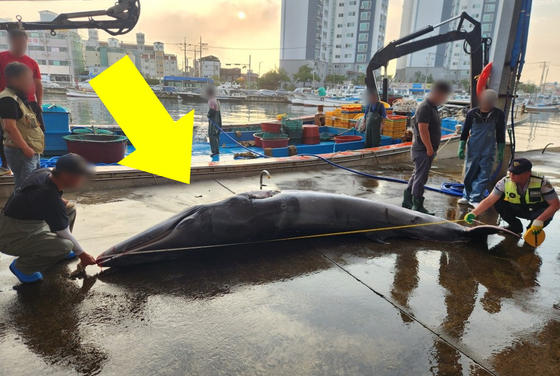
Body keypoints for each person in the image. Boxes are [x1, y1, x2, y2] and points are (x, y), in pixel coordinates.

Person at [0, 153, 97, 283]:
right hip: (11, 235)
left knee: (70, 210)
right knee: (65, 245)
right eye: (80, 175)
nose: (83, 178)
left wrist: (58, 199)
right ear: (65, 175)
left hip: (24, 220)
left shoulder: (44, 173)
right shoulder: (49, 198)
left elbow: (32, 192)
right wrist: (82, 255)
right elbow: (64, 232)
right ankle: (22, 268)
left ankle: (54, 250)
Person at [465, 158, 560, 235]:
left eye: (515, 173)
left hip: (536, 210)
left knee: (533, 231)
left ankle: (532, 229)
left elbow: (555, 205)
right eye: (510, 172)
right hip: (517, 207)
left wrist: (539, 220)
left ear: (527, 174)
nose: (511, 175)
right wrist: (474, 213)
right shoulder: (504, 182)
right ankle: (515, 227)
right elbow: (490, 200)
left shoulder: (542, 182)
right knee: (498, 201)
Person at [402, 80, 452, 214]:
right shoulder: (425, 107)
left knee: (416, 175)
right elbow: (423, 130)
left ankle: (407, 200)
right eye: (443, 96)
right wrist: (429, 149)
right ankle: (417, 204)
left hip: (425, 149)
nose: (443, 99)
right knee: (420, 177)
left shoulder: (432, 107)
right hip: (422, 149)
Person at [458, 89, 506, 208]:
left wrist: (501, 149)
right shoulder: (472, 113)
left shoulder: (498, 114)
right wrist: (461, 146)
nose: (487, 103)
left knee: (484, 173)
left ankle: (476, 197)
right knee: (470, 172)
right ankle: (466, 195)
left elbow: (500, 132)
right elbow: (465, 131)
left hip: (488, 148)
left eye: (490, 101)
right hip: (473, 147)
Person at [0, 62, 44, 188]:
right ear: (15, 79)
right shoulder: (8, 99)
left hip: (30, 150)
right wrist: (25, 148)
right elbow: (9, 127)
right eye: (28, 79)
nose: (31, 83)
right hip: (21, 152)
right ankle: (17, 208)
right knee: (25, 187)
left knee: (33, 184)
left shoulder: (18, 97)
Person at [0, 29, 45, 132]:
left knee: (39, 131)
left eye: (24, 42)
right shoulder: (1, 58)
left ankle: (31, 148)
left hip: (29, 102)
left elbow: (38, 84)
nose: (22, 45)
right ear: (11, 42)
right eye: (18, 42)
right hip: (9, 101)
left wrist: (40, 103)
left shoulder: (32, 63)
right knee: (9, 131)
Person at [206, 86, 221, 157]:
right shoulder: (217, 100)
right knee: (217, 135)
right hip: (218, 119)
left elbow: (212, 110)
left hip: (213, 120)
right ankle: (217, 150)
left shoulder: (211, 100)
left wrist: (208, 115)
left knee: (212, 135)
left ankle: (214, 151)